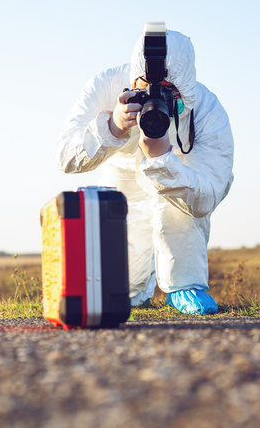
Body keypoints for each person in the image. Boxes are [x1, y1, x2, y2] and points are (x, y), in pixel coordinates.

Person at [55, 24, 234, 315]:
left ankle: (185, 284)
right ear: (131, 80)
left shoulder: (206, 109)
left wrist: (161, 157)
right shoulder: (105, 85)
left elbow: (207, 195)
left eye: (167, 92)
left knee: (177, 210)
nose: (156, 99)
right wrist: (111, 127)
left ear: (186, 86)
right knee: (125, 259)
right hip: (122, 172)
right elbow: (65, 158)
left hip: (182, 172)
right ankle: (128, 289)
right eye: (145, 89)